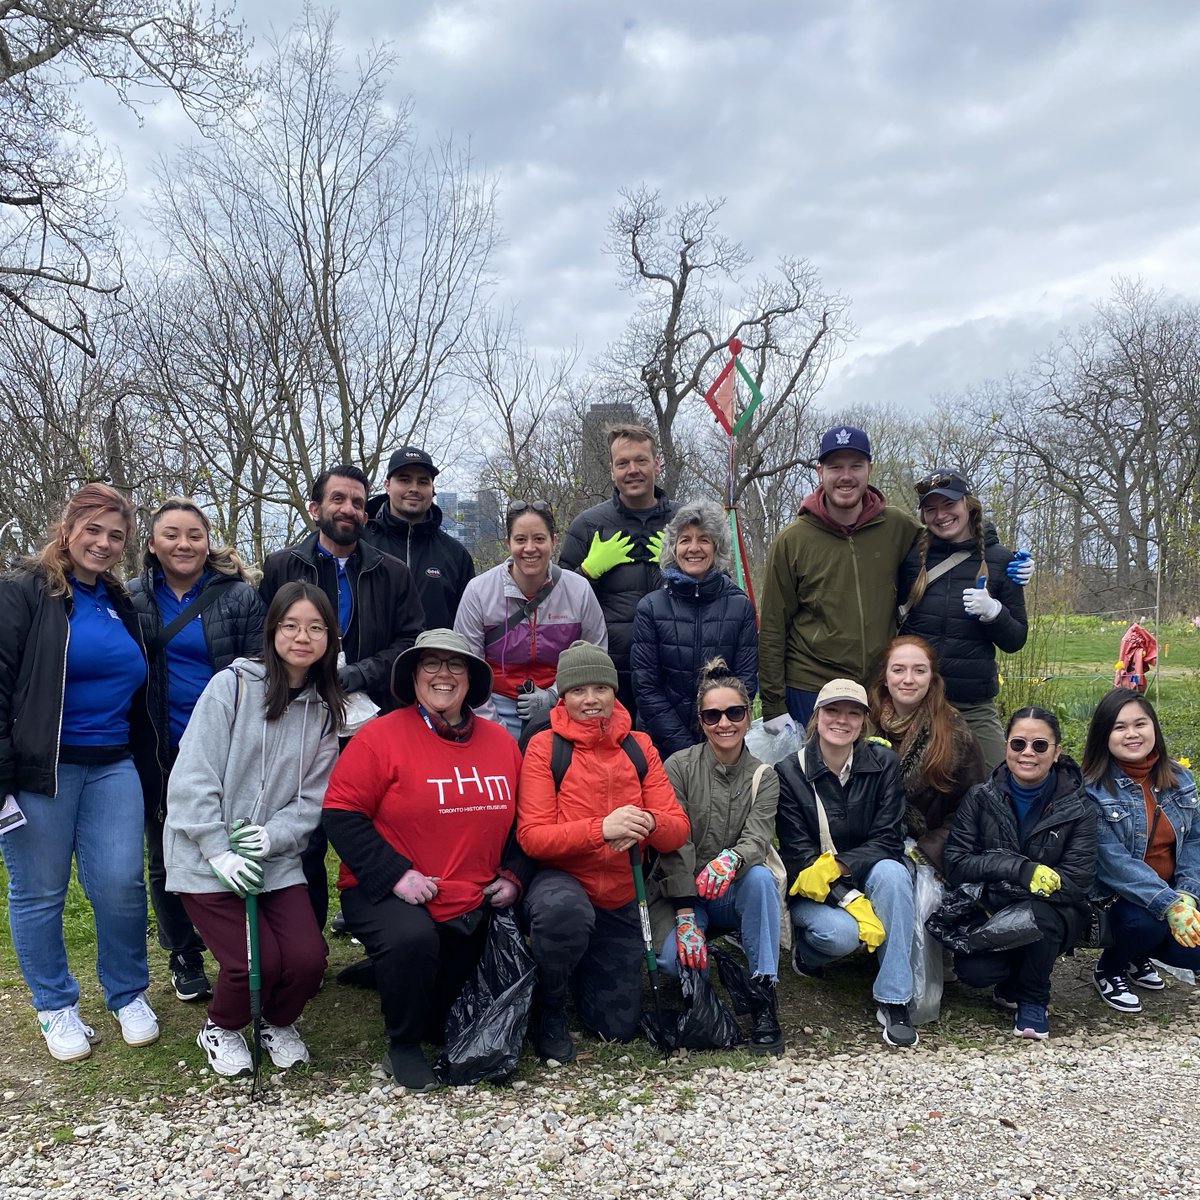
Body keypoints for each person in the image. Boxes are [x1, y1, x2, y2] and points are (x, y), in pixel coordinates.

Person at [322, 629, 524, 1091]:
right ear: (413, 676)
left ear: (471, 678)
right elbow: (340, 814)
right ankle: (403, 1045)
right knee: (411, 942)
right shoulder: (379, 737)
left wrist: (515, 874)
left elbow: (524, 824)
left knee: (447, 1013)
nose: (443, 675)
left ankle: (388, 976)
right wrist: (396, 874)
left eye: (455, 665)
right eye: (430, 664)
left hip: (473, 897)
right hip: (392, 891)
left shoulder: (500, 742)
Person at [0, 483, 159, 1061]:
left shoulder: (118, 600)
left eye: (116, 535)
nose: (104, 543)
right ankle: (54, 1005)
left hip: (114, 764)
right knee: (40, 892)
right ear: (66, 528)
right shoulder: (23, 591)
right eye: (93, 529)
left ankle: (127, 993)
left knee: (121, 886)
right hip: (42, 769)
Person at [164, 582, 343, 1077]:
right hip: (206, 856)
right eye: (291, 625)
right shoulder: (233, 687)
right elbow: (193, 774)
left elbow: (312, 799)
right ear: (273, 630)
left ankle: (276, 1021)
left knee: (307, 960)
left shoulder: (326, 712)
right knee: (251, 962)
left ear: (330, 637)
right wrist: (220, 849)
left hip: (272, 858)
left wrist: (272, 837)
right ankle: (220, 1027)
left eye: (314, 627)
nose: (302, 637)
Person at [260, 464, 424, 929]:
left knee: (376, 826)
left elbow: (411, 640)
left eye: (356, 502)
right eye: (337, 499)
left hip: (369, 720)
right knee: (303, 833)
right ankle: (304, 938)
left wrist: (360, 674)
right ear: (315, 508)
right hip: (299, 716)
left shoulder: (392, 572)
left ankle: (381, 930)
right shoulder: (282, 566)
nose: (348, 509)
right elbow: (265, 636)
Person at [517, 641, 689, 1063]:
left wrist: (648, 822)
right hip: (563, 882)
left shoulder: (639, 746)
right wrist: (601, 829)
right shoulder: (545, 747)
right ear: (562, 695)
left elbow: (677, 829)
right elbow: (533, 836)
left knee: (616, 1026)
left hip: (622, 892)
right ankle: (550, 1006)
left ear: (615, 691)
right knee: (564, 914)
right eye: (578, 691)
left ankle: (580, 971)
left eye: (600, 688)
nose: (590, 700)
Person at [127, 496, 266, 1005]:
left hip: (226, 746)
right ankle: (182, 951)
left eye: (194, 534)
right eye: (171, 534)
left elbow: (260, 665)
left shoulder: (238, 597)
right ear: (152, 543)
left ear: (208, 542)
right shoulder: (131, 598)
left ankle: (244, 946)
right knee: (166, 852)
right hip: (159, 747)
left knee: (235, 842)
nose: (184, 544)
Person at [648, 658, 783, 1054]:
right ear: (701, 721)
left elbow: (758, 835)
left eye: (734, 713)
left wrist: (733, 859)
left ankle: (763, 996)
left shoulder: (764, 775)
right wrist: (686, 910)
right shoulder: (679, 766)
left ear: (746, 715)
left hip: (730, 887)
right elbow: (673, 841)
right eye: (713, 715)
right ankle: (707, 970)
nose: (724, 723)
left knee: (760, 878)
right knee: (678, 962)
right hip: (681, 892)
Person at [775, 678, 919, 1048]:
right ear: (817, 715)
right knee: (841, 934)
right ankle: (807, 956)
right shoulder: (790, 772)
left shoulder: (883, 762)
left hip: (864, 870)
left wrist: (841, 867)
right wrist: (849, 899)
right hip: (813, 888)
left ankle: (894, 999)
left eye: (853, 713)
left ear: (863, 722)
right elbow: (800, 856)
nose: (842, 720)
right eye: (833, 711)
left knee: (895, 873)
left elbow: (888, 838)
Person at [943, 707, 1096, 1040]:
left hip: (1054, 913)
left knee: (1037, 916)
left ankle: (1034, 998)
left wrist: (1018, 890)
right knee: (974, 971)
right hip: (994, 908)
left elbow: (1076, 880)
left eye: (1040, 745)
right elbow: (955, 863)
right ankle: (1013, 980)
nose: (1028, 753)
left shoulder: (1080, 807)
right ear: (1005, 747)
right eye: (1018, 744)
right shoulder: (980, 797)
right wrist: (1020, 870)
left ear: (1056, 752)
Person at [758, 426, 920, 732]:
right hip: (811, 686)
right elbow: (772, 626)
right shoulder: (793, 540)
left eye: (855, 466)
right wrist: (773, 705)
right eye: (835, 467)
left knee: (875, 775)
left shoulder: (897, 526)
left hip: (878, 686)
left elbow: (946, 541)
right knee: (819, 777)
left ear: (869, 469)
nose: (846, 476)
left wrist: (996, 558)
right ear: (820, 472)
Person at [898, 469, 1030, 768]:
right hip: (915, 702)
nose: (941, 515)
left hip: (973, 704)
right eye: (930, 509)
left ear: (968, 505)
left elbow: (1015, 639)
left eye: (949, 505)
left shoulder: (1001, 561)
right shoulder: (910, 557)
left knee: (994, 785)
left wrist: (995, 613)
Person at [1081, 688, 1200, 1013]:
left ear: (1154, 729)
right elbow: (1111, 863)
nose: (1132, 734)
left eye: (1140, 724)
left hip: (1174, 889)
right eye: (1119, 727)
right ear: (1104, 735)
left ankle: (1139, 955)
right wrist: (1170, 904)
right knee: (1146, 925)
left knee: (1194, 952)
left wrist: (1188, 895)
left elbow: (1194, 840)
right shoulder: (1091, 789)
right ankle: (1111, 968)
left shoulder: (1179, 777)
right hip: (1118, 895)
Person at [454, 500, 607, 739]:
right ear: (508, 543)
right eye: (520, 539)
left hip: (565, 703)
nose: (530, 548)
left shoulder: (579, 590)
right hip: (493, 703)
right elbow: (467, 665)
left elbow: (596, 656)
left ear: (553, 541)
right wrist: (495, 733)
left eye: (539, 539)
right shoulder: (478, 591)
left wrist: (555, 695)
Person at [559, 424, 678, 716]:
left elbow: (720, 590)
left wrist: (684, 571)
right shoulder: (587, 525)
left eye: (641, 460)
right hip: (607, 674)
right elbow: (556, 601)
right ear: (612, 471)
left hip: (673, 668)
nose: (632, 470)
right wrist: (586, 572)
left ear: (657, 464)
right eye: (622, 463)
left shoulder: (684, 522)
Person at [630, 499, 758, 760]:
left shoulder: (740, 606)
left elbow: (745, 682)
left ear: (717, 547)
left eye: (704, 539)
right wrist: (687, 751)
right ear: (673, 547)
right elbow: (646, 688)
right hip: (662, 747)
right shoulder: (651, 608)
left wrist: (717, 733)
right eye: (685, 539)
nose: (694, 548)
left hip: (721, 742)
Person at [868, 635, 986, 872]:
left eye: (919, 671)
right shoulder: (862, 724)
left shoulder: (955, 734)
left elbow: (972, 807)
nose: (908, 680)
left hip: (928, 854)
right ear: (885, 677)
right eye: (898, 670)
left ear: (932, 678)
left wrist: (926, 852)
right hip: (869, 848)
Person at [362, 445, 475, 629]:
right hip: (368, 658)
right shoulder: (360, 543)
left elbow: (468, 627)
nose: (414, 488)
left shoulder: (456, 555)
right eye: (404, 480)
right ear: (387, 485)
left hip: (433, 657)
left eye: (423, 482)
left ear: (432, 489)